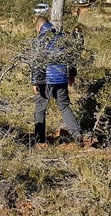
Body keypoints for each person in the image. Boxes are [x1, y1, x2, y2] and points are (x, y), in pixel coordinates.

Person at [30, 16, 83, 147]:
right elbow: (71, 56)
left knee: (40, 108)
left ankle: (40, 140)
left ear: (38, 27)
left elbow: (36, 63)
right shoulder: (62, 37)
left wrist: (35, 81)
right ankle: (77, 133)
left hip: (45, 79)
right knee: (64, 106)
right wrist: (72, 74)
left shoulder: (39, 40)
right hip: (62, 76)